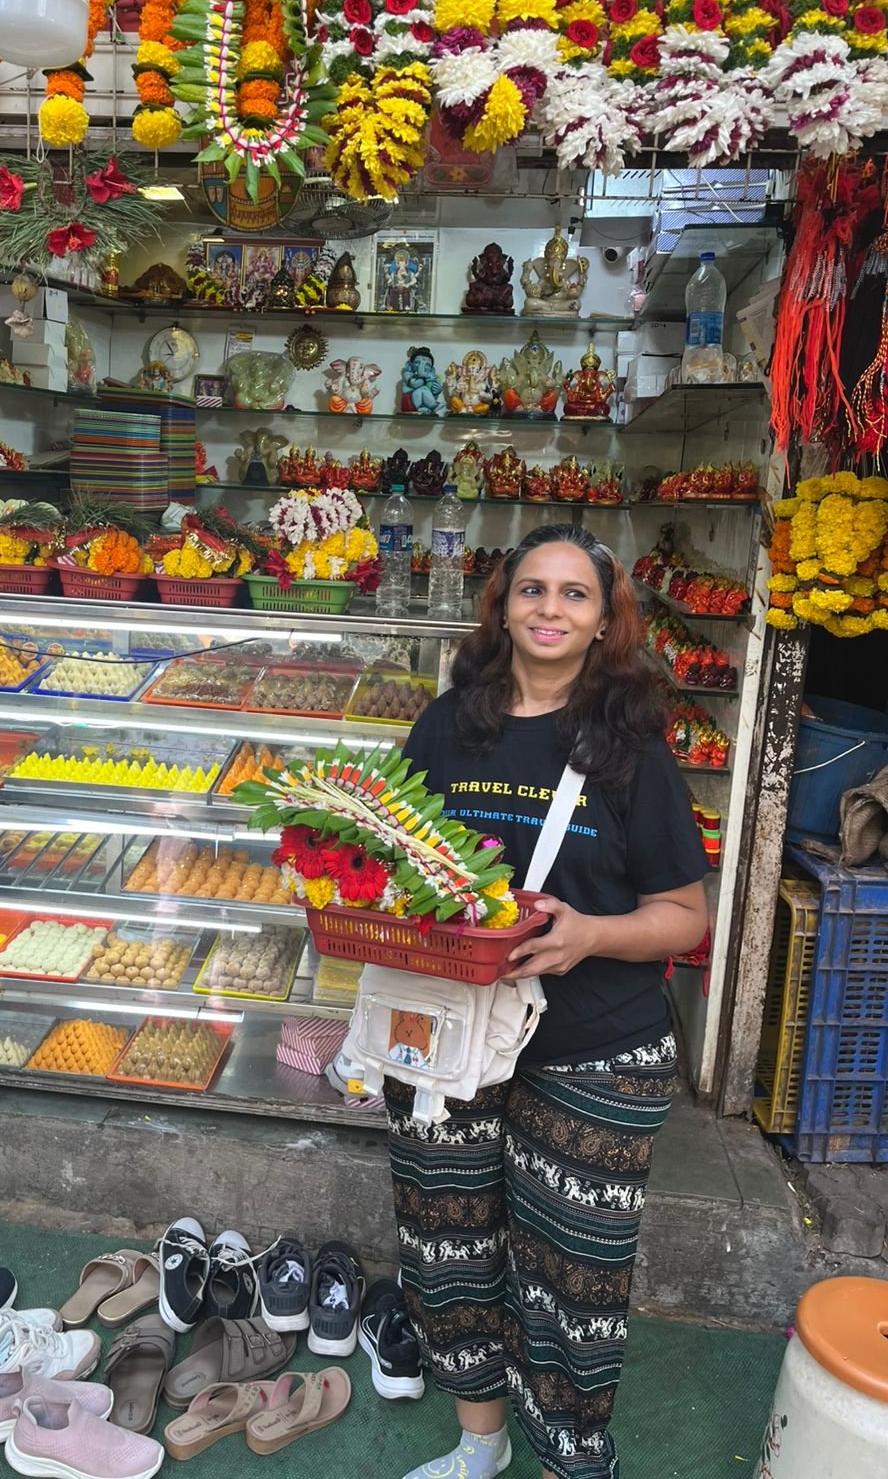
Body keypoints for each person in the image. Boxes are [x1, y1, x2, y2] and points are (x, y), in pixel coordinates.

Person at [392, 523, 709, 1479]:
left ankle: (574, 1461)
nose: (550, 610)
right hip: (453, 1035)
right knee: (448, 1249)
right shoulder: (449, 724)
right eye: (533, 589)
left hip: (595, 1049)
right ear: (504, 603)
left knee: (573, 1280)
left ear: (606, 618)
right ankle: (479, 1446)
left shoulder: (631, 744)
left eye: (575, 595)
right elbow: (405, 865)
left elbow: (684, 916)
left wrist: (591, 936)